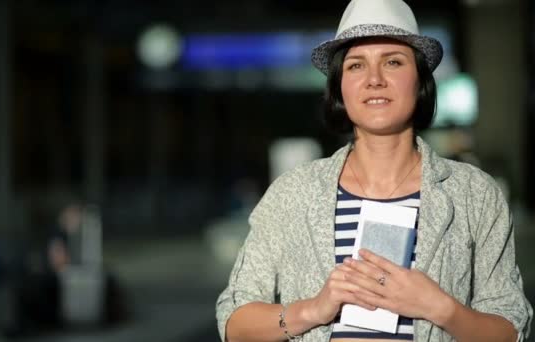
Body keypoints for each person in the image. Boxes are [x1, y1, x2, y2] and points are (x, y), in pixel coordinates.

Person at [215, 0, 533, 341]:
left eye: (393, 62)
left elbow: (511, 328)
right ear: (339, 86)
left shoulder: (474, 193)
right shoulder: (293, 192)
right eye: (356, 66)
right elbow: (235, 322)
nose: (374, 80)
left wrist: (440, 307)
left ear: (421, 79)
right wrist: (312, 309)